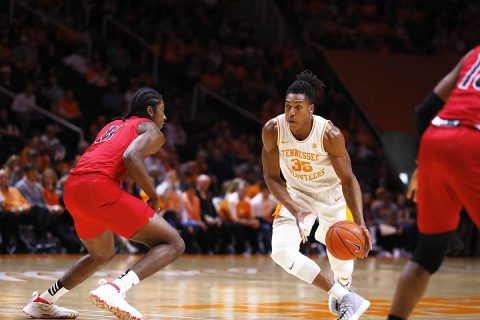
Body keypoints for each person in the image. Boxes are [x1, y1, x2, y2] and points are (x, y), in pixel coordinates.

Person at [22, 87, 185, 320]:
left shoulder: (112, 125)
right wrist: (154, 196)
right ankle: (116, 289)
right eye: (163, 110)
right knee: (174, 242)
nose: (165, 117)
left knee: (101, 254)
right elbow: (131, 157)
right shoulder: (150, 129)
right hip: (99, 187)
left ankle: (44, 301)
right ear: (150, 110)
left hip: (73, 188)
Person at [262, 70, 372, 320]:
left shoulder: (329, 134)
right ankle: (347, 298)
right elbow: (271, 177)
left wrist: (360, 223)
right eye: (288, 106)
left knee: (340, 247)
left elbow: (348, 179)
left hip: (330, 195)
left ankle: (344, 285)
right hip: (296, 194)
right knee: (280, 252)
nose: (291, 112)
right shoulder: (273, 129)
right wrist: (293, 207)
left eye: (298, 107)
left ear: (310, 108)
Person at [388, 45, 480, 320]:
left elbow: (424, 111)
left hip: (435, 138)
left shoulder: (474, 53)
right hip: (472, 142)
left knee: (427, 254)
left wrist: (419, 166)